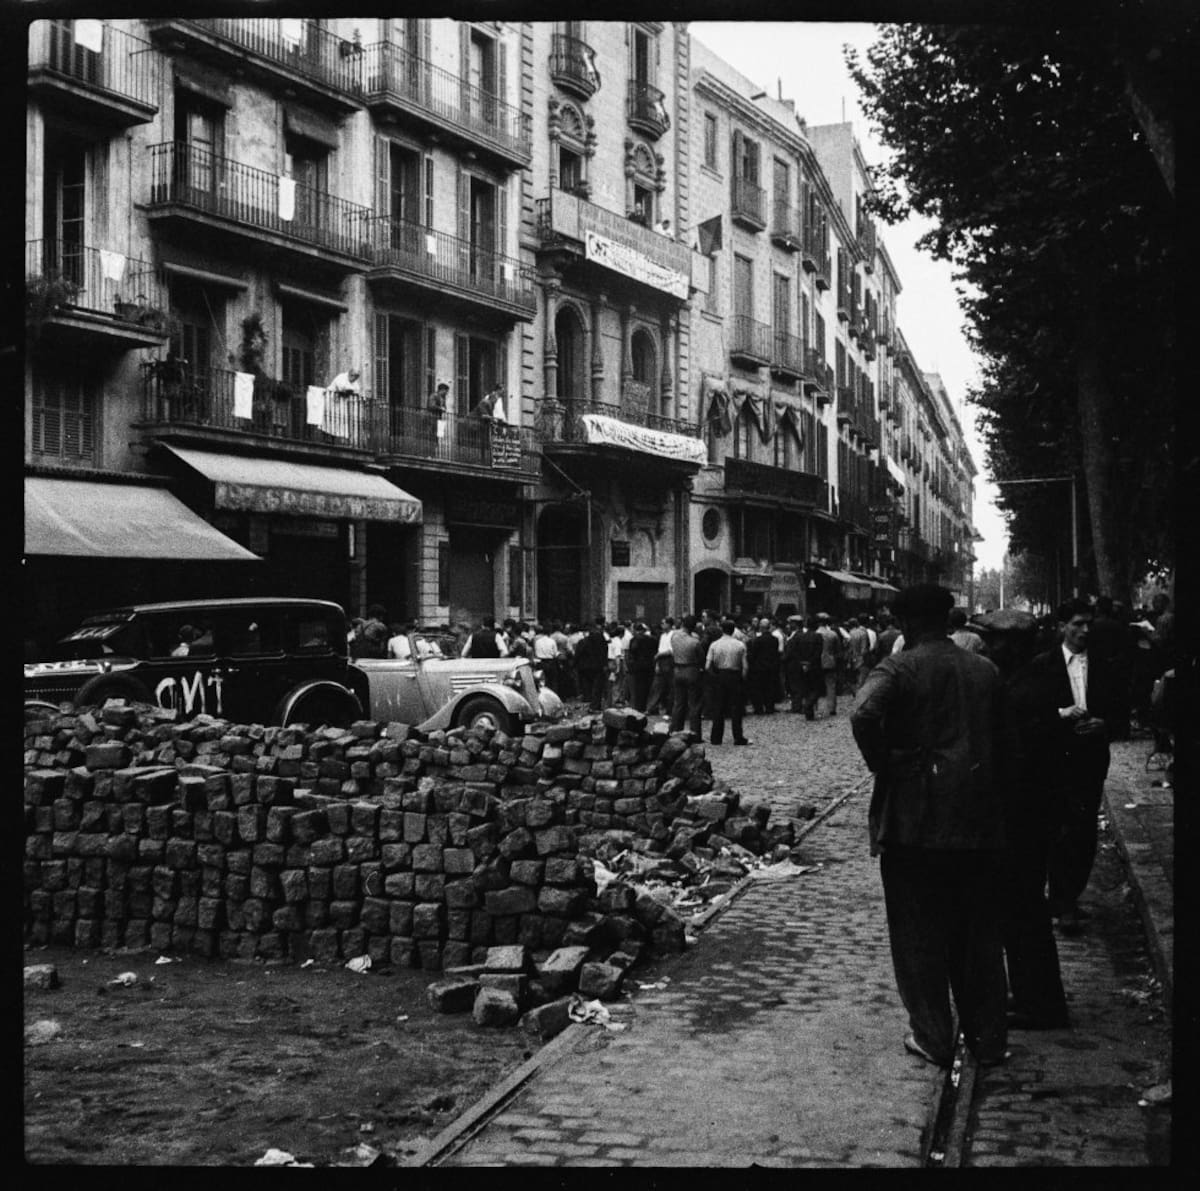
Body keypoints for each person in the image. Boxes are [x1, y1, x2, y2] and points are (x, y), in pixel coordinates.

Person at [850, 584, 1009, 1068]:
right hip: (978, 820)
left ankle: (933, 1036)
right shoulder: (985, 670)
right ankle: (989, 1038)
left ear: (906, 623)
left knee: (918, 929)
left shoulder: (900, 667)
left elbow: (862, 712)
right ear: (949, 619)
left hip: (915, 819)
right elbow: (1006, 742)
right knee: (978, 932)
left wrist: (884, 761)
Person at [975, 608, 1070, 1030]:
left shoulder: (1024, 690)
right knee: (1021, 912)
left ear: (1013, 645)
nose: (988, 648)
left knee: (1023, 911)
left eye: (994, 641)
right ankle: (1032, 994)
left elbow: (1019, 761)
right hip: (1029, 815)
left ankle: (1042, 1004)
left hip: (1023, 817)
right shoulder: (1027, 679)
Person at [1011, 598, 1123, 934]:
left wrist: (1104, 724)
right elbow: (1022, 715)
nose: (1084, 631)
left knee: (1083, 831)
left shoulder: (1105, 666)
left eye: (1088, 624)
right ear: (1062, 627)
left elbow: (1121, 713)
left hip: (1089, 761)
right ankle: (1052, 899)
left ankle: (1068, 898)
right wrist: (1059, 715)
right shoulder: (1041, 666)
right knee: (1051, 829)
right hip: (1051, 761)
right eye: (1077, 624)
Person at [706, 619, 750, 745]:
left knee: (718, 707)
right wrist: (742, 679)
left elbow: (707, 665)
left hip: (720, 675)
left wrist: (714, 677)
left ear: (722, 630)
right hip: (735, 675)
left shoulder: (714, 645)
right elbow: (745, 666)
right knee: (736, 708)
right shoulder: (740, 645)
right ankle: (738, 737)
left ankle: (716, 738)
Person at [668, 615, 705, 736]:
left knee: (678, 703)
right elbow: (701, 658)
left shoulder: (674, 637)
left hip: (677, 669)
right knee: (694, 704)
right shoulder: (695, 642)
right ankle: (695, 733)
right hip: (691, 670)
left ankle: (675, 730)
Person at [746, 617, 780, 715]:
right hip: (771, 667)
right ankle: (769, 707)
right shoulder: (775, 640)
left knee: (759, 689)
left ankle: (759, 709)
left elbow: (753, 655)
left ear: (761, 628)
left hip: (759, 668)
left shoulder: (758, 640)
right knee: (770, 688)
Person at [574, 619, 609, 712]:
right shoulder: (602, 640)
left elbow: (578, 654)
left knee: (587, 686)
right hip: (598, 667)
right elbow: (604, 653)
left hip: (585, 667)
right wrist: (605, 665)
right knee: (597, 687)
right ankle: (595, 706)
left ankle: (589, 703)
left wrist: (575, 664)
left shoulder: (584, 641)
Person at [645, 617, 676, 718]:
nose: (662, 625)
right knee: (657, 686)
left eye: (664, 623)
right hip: (661, 661)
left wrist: (659, 655)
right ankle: (651, 708)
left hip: (669, 661)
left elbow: (671, 651)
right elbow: (660, 649)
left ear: (669, 624)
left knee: (671, 687)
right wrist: (657, 663)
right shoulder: (662, 636)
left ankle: (669, 710)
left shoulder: (673, 635)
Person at [626, 621, 657, 711]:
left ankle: (639, 707)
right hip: (649, 665)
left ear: (636, 630)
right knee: (648, 687)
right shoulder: (652, 639)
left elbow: (632, 651)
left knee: (639, 688)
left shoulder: (634, 640)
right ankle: (646, 706)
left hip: (638, 666)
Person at [815, 613, 842, 716]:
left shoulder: (815, 633)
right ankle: (832, 708)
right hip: (830, 661)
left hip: (817, 662)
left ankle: (816, 708)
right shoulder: (833, 634)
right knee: (831, 686)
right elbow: (838, 650)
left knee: (816, 685)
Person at [532, 624, 560, 693]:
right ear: (550, 633)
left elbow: (535, 652)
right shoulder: (552, 641)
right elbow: (555, 653)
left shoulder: (537, 641)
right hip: (550, 662)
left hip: (540, 662)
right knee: (552, 681)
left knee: (540, 680)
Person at [846, 617, 872, 692]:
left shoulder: (849, 634)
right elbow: (864, 649)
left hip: (852, 658)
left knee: (855, 679)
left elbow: (848, 649)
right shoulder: (863, 633)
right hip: (862, 659)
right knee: (863, 679)